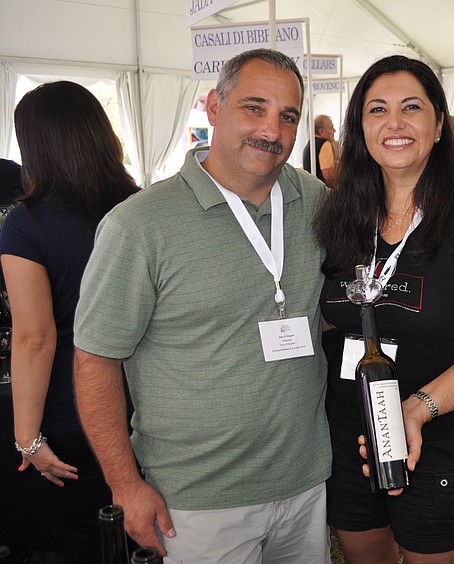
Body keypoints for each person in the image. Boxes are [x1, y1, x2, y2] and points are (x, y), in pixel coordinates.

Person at [73, 49, 332, 561]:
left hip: (305, 480)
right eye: (253, 108)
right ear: (213, 106)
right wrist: (125, 484)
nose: (272, 131)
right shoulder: (138, 225)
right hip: (195, 498)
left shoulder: (316, 202)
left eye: (288, 116)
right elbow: (95, 359)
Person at [315, 55, 454, 564]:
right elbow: (327, 316)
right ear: (360, 126)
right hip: (348, 432)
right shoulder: (340, 212)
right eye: (377, 109)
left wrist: (415, 411)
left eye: (411, 107)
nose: (395, 123)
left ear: (437, 122)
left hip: (436, 431)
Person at [0, 81, 139, 563]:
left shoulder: (26, 223)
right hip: (149, 397)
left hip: (72, 405)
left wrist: (26, 436)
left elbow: (35, 336)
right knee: (157, 532)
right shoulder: (140, 206)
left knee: (93, 539)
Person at [302, 114, 338, 186]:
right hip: (323, 192)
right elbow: (329, 176)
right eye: (331, 128)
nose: (335, 130)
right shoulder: (325, 144)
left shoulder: (308, 145)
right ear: (321, 131)